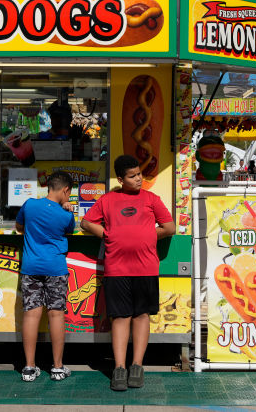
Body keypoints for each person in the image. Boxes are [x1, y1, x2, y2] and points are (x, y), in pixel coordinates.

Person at [80, 155, 175, 391]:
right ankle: (119, 368)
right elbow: (86, 223)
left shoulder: (152, 199)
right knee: (120, 317)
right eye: (132, 176)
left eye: (139, 174)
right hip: (116, 269)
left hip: (146, 268)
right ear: (121, 179)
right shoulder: (107, 200)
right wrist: (107, 235)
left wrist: (149, 235)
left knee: (142, 316)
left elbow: (169, 227)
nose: (138, 179)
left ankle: (137, 366)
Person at [15, 171, 76, 382]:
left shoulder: (30, 205)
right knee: (56, 315)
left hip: (30, 267)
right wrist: (67, 208)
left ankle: (29, 367)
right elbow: (69, 230)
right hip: (56, 268)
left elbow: (19, 227)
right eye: (69, 194)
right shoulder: (66, 215)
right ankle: (57, 368)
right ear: (65, 190)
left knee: (31, 315)